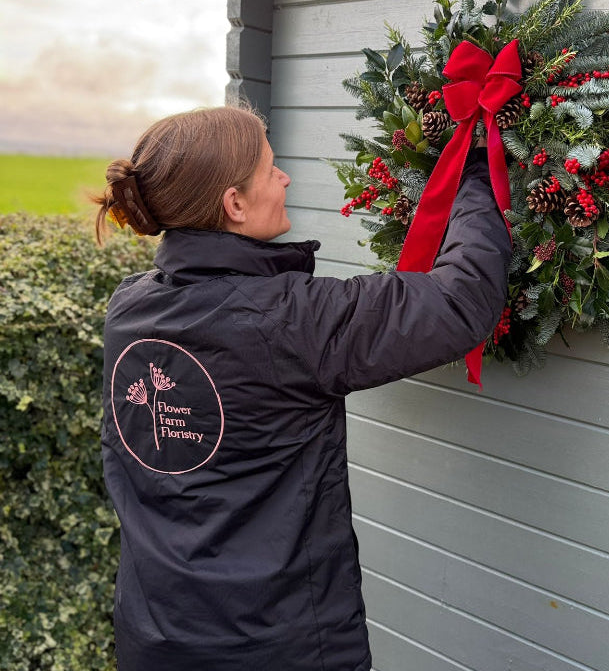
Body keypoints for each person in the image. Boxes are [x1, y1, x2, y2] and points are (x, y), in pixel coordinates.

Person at [96, 105, 510, 670]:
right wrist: (476, 171)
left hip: (155, 634)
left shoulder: (130, 307)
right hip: (273, 647)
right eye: (270, 169)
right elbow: (461, 301)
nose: (285, 178)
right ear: (234, 204)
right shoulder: (289, 321)